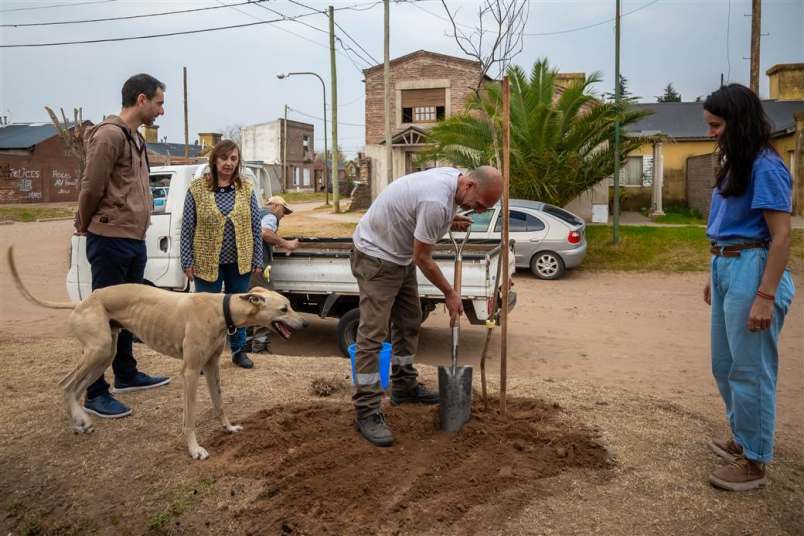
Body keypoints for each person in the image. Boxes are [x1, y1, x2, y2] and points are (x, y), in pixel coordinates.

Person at [350, 165, 503, 447]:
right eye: (480, 205)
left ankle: (404, 386)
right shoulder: (435, 202)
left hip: (399, 256)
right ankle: (366, 410)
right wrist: (450, 293)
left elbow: (424, 215)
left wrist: (450, 218)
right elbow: (424, 258)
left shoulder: (452, 184)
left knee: (410, 320)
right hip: (376, 257)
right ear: (469, 185)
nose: (479, 212)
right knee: (372, 334)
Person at [702, 84, 796, 491]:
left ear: (737, 123)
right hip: (728, 263)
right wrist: (714, 271)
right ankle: (743, 438)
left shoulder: (766, 167)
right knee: (724, 366)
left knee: (751, 370)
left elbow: (781, 237)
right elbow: (727, 226)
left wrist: (765, 295)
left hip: (753, 269)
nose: (711, 133)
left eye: (717, 125)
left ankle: (755, 462)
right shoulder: (737, 164)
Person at [75, 73, 171, 418]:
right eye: (159, 102)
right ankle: (95, 392)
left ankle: (127, 374)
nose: (162, 110)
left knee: (130, 313)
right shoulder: (109, 135)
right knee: (104, 318)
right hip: (110, 240)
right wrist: (85, 223)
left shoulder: (136, 139)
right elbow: (91, 187)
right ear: (141, 100)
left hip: (132, 239)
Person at [180, 140, 264, 369]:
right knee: (205, 312)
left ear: (238, 162)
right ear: (215, 160)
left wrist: (258, 257)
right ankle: (202, 355)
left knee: (241, 308)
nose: (228, 163)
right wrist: (186, 259)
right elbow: (187, 226)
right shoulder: (197, 188)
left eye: (233, 159)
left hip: (240, 260)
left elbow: (256, 226)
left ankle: (239, 351)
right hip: (206, 261)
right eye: (224, 158)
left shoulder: (246, 189)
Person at [246, 195, 300, 353]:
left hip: (247, 265)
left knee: (250, 303)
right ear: (275, 206)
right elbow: (265, 233)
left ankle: (246, 343)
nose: (283, 215)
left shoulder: (256, 213)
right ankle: (259, 345)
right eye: (284, 211)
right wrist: (287, 243)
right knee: (268, 302)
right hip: (258, 267)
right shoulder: (270, 215)